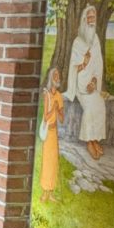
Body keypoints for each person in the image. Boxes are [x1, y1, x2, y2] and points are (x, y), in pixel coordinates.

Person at [64, 4, 106, 160]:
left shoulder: (95, 40)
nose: (91, 20)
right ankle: (89, 142)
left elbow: (99, 64)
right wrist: (84, 60)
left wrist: (95, 81)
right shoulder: (77, 41)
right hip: (80, 83)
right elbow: (74, 67)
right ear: (83, 19)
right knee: (89, 108)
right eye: (89, 17)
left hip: (91, 84)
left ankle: (95, 139)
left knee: (100, 105)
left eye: (93, 17)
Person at [39, 66, 63, 202]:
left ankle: (51, 192)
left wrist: (58, 111)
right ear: (51, 78)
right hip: (48, 132)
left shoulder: (59, 96)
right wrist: (53, 108)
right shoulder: (47, 94)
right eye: (55, 75)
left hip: (55, 133)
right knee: (47, 161)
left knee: (54, 162)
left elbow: (62, 118)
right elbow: (46, 117)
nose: (57, 77)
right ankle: (44, 192)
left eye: (58, 75)